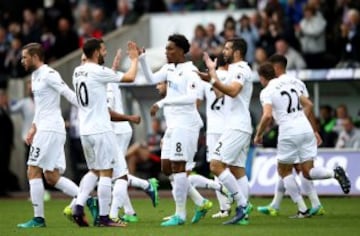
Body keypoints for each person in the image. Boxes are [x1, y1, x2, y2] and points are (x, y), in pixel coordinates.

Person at [254, 60, 351, 219]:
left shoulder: (266, 91)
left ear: (263, 78)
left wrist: (258, 134)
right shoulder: (291, 85)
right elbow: (309, 104)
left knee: (284, 170)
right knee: (307, 171)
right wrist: (299, 119)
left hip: (289, 132)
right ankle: (334, 173)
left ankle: (302, 209)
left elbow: (267, 115)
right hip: (305, 128)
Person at [139, 34, 210, 226]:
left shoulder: (191, 70)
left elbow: (191, 98)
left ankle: (180, 215)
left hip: (186, 124)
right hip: (173, 125)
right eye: (166, 48)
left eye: (170, 48)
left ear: (180, 50)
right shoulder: (169, 68)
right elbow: (150, 78)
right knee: (166, 167)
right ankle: (201, 202)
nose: (166, 52)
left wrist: (164, 102)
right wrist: (142, 60)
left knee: (178, 167)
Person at [71, 38, 139, 227]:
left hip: (85, 131)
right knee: (107, 174)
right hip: (101, 130)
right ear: (95, 53)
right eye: (103, 50)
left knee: (94, 170)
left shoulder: (77, 71)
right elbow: (130, 77)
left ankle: (78, 205)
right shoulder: (98, 72)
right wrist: (134, 59)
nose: (105, 53)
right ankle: (103, 217)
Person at [17, 42, 80, 228]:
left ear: (35, 57)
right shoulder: (35, 76)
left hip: (50, 129)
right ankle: (85, 199)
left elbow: (68, 94)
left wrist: (90, 108)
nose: (22, 61)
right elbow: (41, 107)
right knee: (51, 176)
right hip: (44, 128)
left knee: (32, 170)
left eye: (25, 57)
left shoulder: (49, 74)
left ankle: (38, 219)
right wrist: (33, 127)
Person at [197, 37, 253, 225]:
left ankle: (242, 205)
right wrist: (201, 74)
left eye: (227, 49)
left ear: (237, 51)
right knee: (237, 170)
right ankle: (243, 215)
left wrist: (212, 72)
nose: (224, 52)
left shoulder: (241, 69)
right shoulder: (232, 70)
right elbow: (220, 91)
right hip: (236, 125)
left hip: (238, 126)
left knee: (215, 164)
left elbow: (233, 91)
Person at [107, 49, 159, 223]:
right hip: (116, 130)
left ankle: (113, 214)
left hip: (118, 130)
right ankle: (130, 211)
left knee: (115, 174)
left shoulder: (103, 78)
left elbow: (130, 77)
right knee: (116, 174)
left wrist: (135, 60)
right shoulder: (105, 76)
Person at [188, 54, 232, 219]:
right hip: (231, 127)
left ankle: (224, 208)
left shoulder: (204, 80)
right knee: (233, 168)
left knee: (217, 168)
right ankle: (241, 203)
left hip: (214, 129)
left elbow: (196, 104)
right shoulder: (231, 76)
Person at [0, 88, 16, 196]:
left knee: (4, 167)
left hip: (5, 146)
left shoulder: (4, 111)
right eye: (3, 97)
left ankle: (2, 189)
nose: (5, 99)